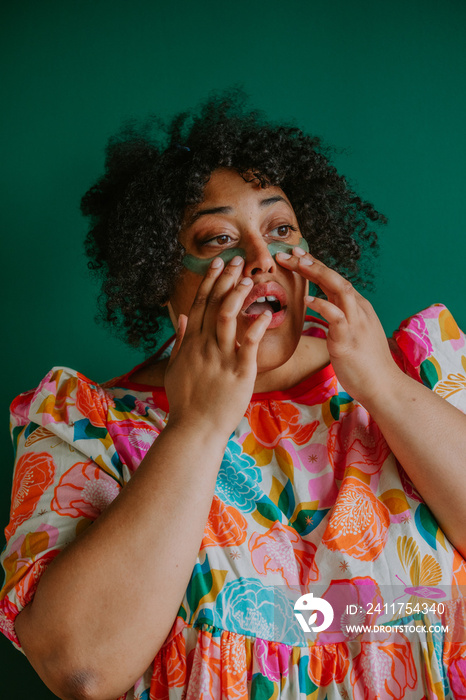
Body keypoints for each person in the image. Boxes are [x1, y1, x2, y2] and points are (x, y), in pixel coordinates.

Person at [1, 91, 466, 700]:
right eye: (218, 240)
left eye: (280, 229)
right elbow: (80, 668)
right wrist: (196, 426)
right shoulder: (84, 426)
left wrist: (383, 385)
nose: (259, 259)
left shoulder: (422, 367)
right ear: (159, 280)